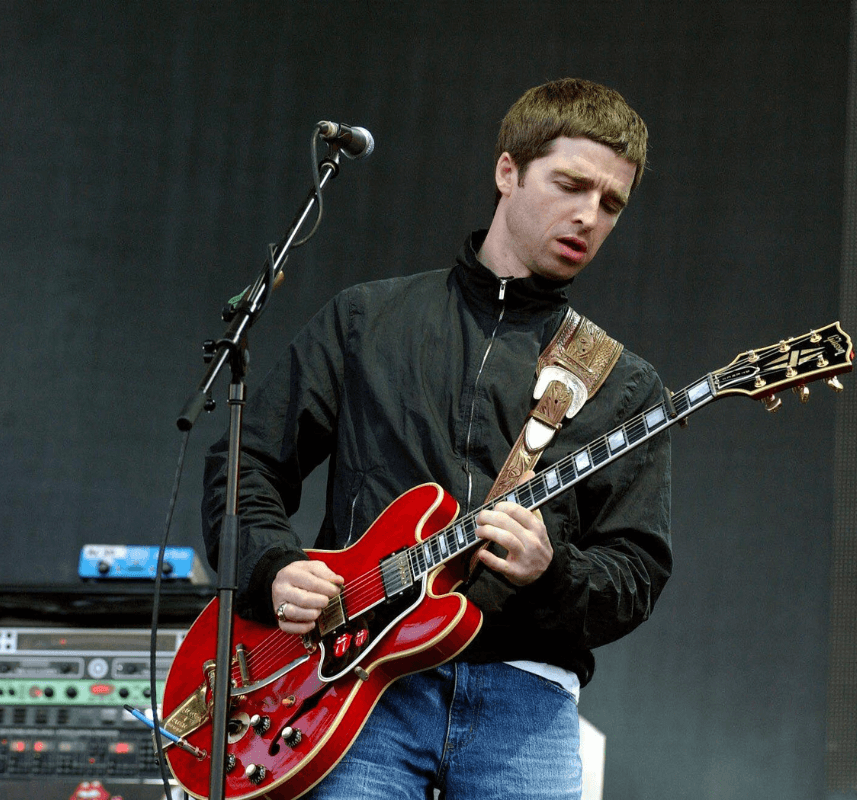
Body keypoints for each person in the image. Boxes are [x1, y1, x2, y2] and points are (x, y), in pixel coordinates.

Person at [202, 77, 672, 800]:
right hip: (354, 690)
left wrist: (552, 572)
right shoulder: (367, 319)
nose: (589, 216)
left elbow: (635, 573)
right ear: (507, 171)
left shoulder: (625, 384)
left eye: (612, 203)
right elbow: (247, 462)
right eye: (571, 184)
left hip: (525, 702)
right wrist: (272, 567)